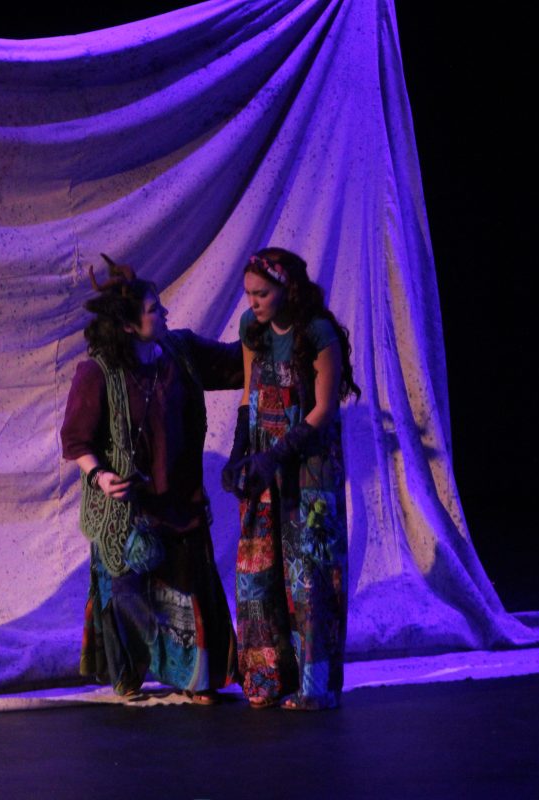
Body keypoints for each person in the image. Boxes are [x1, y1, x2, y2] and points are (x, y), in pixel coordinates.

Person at [61, 255, 242, 703]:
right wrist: (100, 476)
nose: (164, 314)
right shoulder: (97, 373)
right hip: (128, 508)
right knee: (126, 593)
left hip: (178, 499)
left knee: (189, 587)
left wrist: (265, 328)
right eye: (153, 309)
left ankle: (198, 678)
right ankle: (130, 671)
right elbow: (76, 441)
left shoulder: (180, 353)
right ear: (127, 325)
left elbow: (237, 361)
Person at [221, 247, 360, 711]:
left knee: (309, 572)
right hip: (264, 460)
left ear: (287, 289)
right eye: (249, 294)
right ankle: (266, 679)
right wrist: (241, 450)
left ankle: (315, 689)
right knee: (258, 568)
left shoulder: (316, 332)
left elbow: (324, 409)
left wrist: (278, 454)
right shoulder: (252, 328)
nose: (253, 302)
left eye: (262, 293)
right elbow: (248, 391)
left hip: (307, 464)